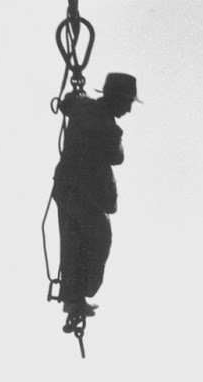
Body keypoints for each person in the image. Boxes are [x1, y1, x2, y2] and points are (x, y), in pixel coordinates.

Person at [51, 72, 138, 327]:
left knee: (73, 243)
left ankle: (74, 297)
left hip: (67, 189)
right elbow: (116, 157)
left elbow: (68, 102)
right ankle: (78, 294)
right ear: (116, 99)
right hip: (86, 196)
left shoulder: (83, 108)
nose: (129, 109)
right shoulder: (108, 128)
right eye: (128, 103)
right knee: (97, 240)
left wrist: (78, 97)